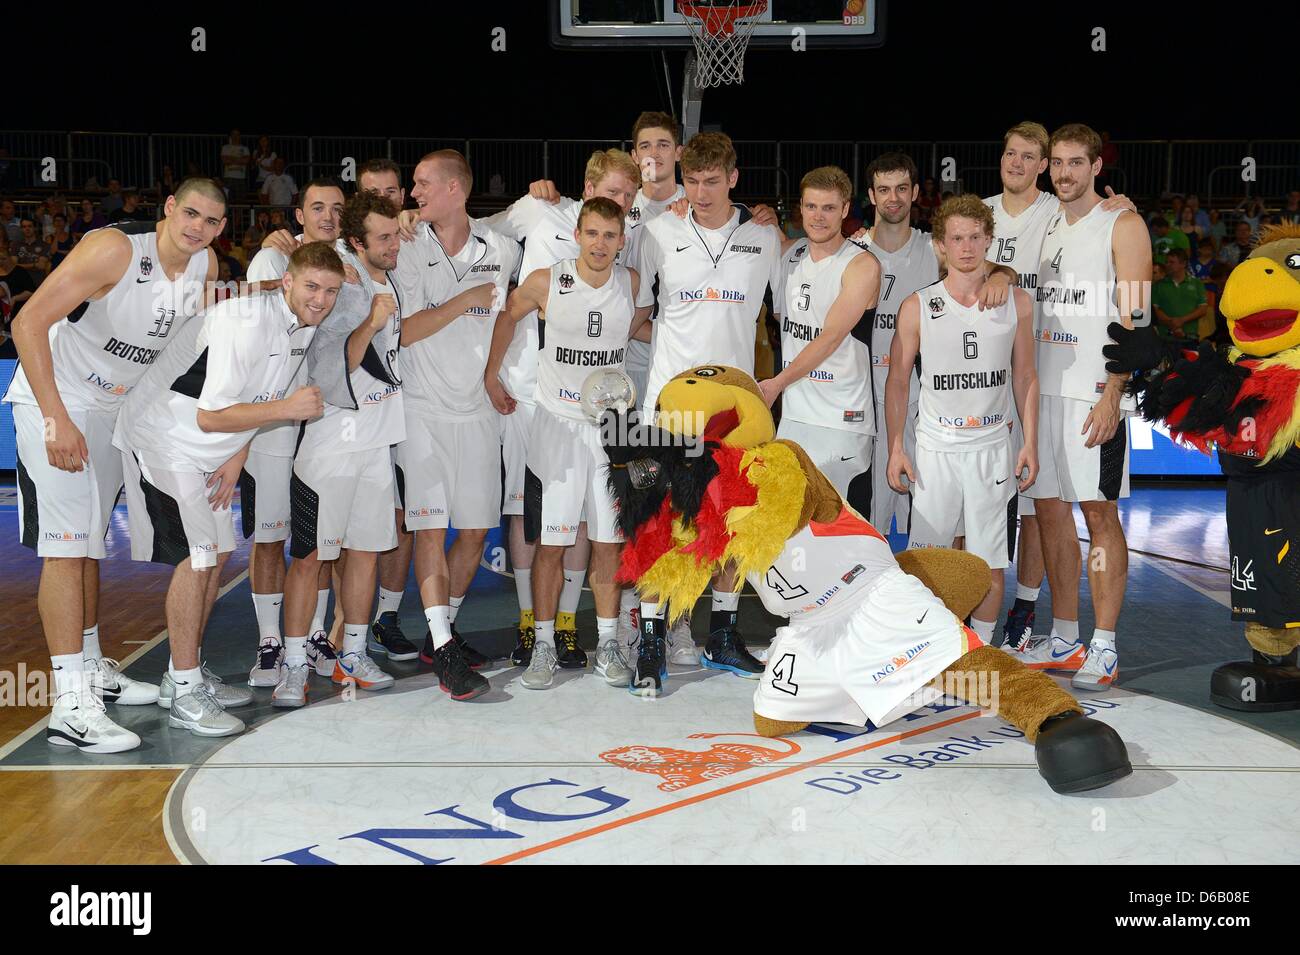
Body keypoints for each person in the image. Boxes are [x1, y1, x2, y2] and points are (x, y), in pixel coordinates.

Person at [4, 178, 226, 754]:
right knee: (66, 547)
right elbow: (26, 323)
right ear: (170, 208)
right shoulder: (115, 250)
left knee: (89, 545)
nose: (198, 228)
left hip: (111, 408)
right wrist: (55, 417)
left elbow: (204, 325)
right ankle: (69, 706)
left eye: (212, 221)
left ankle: (93, 668)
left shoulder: (204, 266)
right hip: (56, 399)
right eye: (191, 214)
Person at [114, 243, 339, 737]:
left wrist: (236, 454)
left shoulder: (301, 325)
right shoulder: (246, 323)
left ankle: (181, 676)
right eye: (311, 286)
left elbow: (257, 393)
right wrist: (285, 411)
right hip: (163, 437)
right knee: (197, 558)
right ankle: (186, 692)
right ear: (287, 282)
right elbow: (211, 413)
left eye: (330, 291)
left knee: (216, 554)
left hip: (210, 447)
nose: (320, 299)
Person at [630, 131, 787, 694]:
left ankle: (721, 633)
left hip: (736, 412)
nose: (700, 191)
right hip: (667, 411)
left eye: (711, 181)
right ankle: (651, 643)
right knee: (657, 528)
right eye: (692, 180)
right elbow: (632, 310)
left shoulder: (764, 236)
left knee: (729, 529)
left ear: (734, 179)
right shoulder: (657, 231)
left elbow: (794, 311)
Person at [485, 148, 646, 671]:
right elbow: (506, 319)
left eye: (610, 236)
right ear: (578, 235)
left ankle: (608, 647)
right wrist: (491, 373)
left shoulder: (633, 284)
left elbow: (644, 331)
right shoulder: (545, 281)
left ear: (622, 241)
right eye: (592, 234)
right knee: (550, 544)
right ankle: (546, 647)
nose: (601, 244)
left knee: (606, 543)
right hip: (554, 428)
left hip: (609, 432)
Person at [1017, 123, 1151, 689]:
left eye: (1077, 163)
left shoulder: (1124, 224)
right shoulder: (1045, 222)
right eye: (1059, 164)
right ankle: (1066, 634)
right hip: (1040, 394)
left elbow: (1137, 319)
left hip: (1093, 398)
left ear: (1097, 167)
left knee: (1099, 517)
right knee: (1049, 512)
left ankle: (1106, 645)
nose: (1066, 173)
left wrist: (1113, 393)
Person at [395, 150, 520, 700]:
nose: (413, 192)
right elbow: (404, 330)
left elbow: (505, 320)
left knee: (472, 532)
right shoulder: (406, 247)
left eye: (422, 184)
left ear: (455, 189)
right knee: (429, 526)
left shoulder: (504, 249)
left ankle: (438, 632)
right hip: (421, 409)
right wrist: (463, 300)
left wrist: (492, 374)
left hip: (477, 412)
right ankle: (445, 646)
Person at [887, 194, 1038, 645]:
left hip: (992, 448)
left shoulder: (1018, 302)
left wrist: (1029, 441)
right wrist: (897, 446)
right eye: (957, 238)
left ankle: (982, 648)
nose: (967, 247)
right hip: (935, 450)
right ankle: (936, 646)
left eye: (975, 237)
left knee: (988, 562)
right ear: (940, 245)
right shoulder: (917, 305)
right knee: (932, 561)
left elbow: (1026, 375)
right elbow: (897, 381)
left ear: (989, 240)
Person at [274, 193, 406, 706]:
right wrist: (371, 321)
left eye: (396, 234)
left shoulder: (379, 276)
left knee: (367, 553)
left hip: (375, 439)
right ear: (357, 243)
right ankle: (291, 665)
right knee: (309, 558)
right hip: (331, 440)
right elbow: (333, 364)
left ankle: (351, 650)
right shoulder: (344, 286)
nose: (395, 244)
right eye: (385, 238)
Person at [242, 179, 347, 687]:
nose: (328, 216)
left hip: (323, 425)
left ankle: (313, 635)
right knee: (270, 537)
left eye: (336, 208)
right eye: (317, 208)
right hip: (270, 426)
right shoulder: (272, 263)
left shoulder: (346, 265)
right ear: (298, 215)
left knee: (318, 541)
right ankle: (269, 641)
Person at [765, 165, 880, 511]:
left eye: (829, 208)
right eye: (811, 206)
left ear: (845, 210)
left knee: (838, 528)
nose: (818, 217)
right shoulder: (789, 255)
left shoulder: (862, 265)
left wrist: (775, 384)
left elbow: (830, 338)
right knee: (789, 528)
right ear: (800, 207)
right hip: (797, 416)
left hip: (842, 419)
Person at [1152, 248, 1209, 340]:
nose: (1167, 265)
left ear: (1183, 264)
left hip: (1190, 337)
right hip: (1164, 337)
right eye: (1166, 262)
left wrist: (1182, 320)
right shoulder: (1158, 285)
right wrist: (1172, 323)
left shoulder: (1197, 283)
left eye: (1172, 262)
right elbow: (1154, 309)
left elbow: (1203, 309)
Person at [221, 129, 251, 198]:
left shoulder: (245, 148)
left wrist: (231, 158)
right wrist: (240, 159)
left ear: (240, 136)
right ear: (231, 136)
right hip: (228, 177)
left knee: (241, 201)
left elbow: (246, 161)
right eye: (233, 134)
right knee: (228, 199)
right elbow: (225, 161)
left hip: (241, 178)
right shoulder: (225, 147)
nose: (235, 136)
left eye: (237, 134)